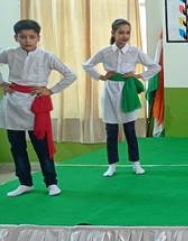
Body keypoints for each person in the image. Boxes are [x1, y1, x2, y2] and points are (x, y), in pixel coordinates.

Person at [0, 19, 77, 197]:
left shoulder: (47, 56)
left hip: (36, 105)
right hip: (13, 104)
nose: (27, 40)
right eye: (23, 37)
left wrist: (50, 90)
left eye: (32, 37)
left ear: (38, 38)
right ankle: (25, 182)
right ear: (16, 37)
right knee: (17, 147)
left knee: (42, 147)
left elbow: (70, 75)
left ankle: (51, 183)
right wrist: (2, 82)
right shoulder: (10, 54)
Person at [83, 19, 160, 177]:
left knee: (130, 130)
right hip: (109, 91)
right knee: (111, 131)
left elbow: (155, 66)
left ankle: (136, 163)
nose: (125, 36)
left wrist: (138, 75)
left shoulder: (135, 51)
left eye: (127, 33)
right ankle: (112, 165)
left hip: (127, 91)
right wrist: (101, 77)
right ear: (113, 33)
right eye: (121, 32)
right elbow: (87, 65)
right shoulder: (105, 52)